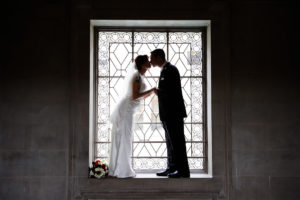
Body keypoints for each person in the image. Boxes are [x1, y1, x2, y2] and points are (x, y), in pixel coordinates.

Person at [109, 55, 155, 178]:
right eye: (147, 61)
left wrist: (151, 92)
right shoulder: (136, 76)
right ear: (142, 64)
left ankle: (120, 168)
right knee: (125, 138)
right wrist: (151, 90)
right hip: (126, 111)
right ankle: (123, 170)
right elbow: (135, 96)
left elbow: (141, 96)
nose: (150, 62)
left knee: (126, 138)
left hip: (130, 110)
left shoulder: (140, 76)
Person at [150, 49, 190, 178]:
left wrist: (158, 92)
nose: (151, 61)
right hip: (167, 114)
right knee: (170, 142)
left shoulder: (171, 70)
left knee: (177, 142)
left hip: (174, 114)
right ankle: (171, 167)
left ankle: (182, 170)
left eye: (152, 58)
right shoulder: (165, 70)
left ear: (159, 57)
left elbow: (172, 92)